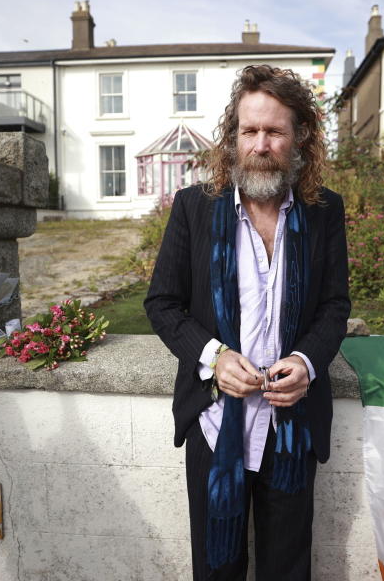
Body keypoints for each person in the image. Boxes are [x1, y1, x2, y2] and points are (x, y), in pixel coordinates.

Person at [145, 64, 350, 580]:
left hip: (291, 427)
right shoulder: (195, 208)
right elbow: (162, 302)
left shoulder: (324, 211)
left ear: (299, 138)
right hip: (216, 424)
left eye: (274, 131)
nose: (260, 144)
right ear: (233, 137)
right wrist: (213, 358)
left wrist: (306, 362)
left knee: (287, 569)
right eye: (249, 130)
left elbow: (334, 307)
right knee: (217, 570)